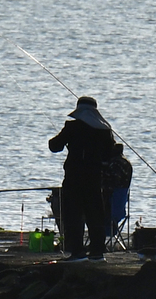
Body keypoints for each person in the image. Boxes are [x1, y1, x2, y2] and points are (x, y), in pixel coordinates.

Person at [49, 96, 114, 261]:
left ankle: (77, 251)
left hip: (74, 176)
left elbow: (55, 146)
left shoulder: (72, 127)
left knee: (73, 214)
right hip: (94, 177)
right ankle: (97, 251)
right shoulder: (104, 130)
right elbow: (109, 154)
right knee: (95, 214)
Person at [101, 142, 134, 244]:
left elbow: (109, 184)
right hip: (121, 204)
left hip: (110, 204)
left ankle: (98, 239)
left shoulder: (113, 164)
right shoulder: (127, 164)